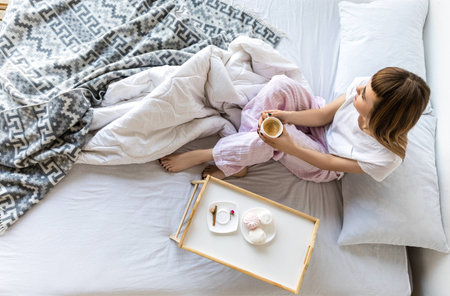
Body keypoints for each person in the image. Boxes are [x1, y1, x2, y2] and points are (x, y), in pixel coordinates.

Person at [159, 67, 430, 182]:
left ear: (381, 115)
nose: (358, 87)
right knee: (281, 86)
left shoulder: (385, 157)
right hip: (319, 126)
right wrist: (286, 115)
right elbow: (323, 115)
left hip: (322, 160)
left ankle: (213, 154)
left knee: (273, 137)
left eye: (364, 95)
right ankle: (239, 159)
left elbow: (330, 165)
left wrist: (289, 143)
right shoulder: (363, 85)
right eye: (364, 86)